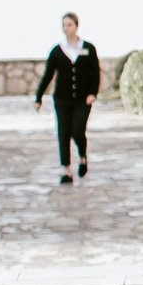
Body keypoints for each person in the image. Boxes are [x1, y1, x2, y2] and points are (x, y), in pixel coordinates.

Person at [32, 13, 101, 186]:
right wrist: (39, 97)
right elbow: (48, 75)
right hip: (62, 99)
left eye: (69, 25)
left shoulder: (88, 48)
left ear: (76, 26)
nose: (66, 28)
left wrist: (93, 93)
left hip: (82, 100)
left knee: (77, 131)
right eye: (64, 25)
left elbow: (95, 72)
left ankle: (83, 157)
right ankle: (66, 170)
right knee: (63, 133)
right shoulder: (57, 50)